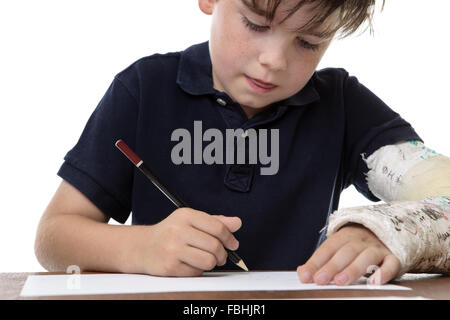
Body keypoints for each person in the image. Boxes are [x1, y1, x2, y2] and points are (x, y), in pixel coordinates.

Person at [34, 0, 450, 286]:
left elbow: (444, 193)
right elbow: (53, 238)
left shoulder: (343, 104)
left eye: (308, 41)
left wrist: (393, 232)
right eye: (256, 24)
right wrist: (140, 248)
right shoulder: (143, 89)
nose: (275, 60)